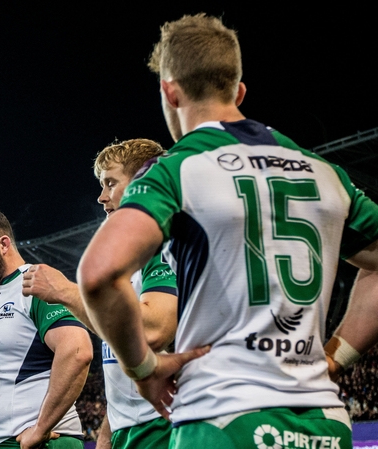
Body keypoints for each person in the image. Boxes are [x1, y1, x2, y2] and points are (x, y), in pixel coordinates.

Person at [78, 13, 378, 449]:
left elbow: (99, 274)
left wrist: (143, 368)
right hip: (324, 422)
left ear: (169, 91)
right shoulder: (324, 173)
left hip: (222, 418)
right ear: (238, 91)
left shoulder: (174, 171)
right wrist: (339, 356)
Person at [23, 140, 178, 449]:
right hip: (128, 427)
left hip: (165, 426)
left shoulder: (166, 242)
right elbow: (123, 353)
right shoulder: (132, 255)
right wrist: (109, 429)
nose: (102, 197)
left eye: (111, 183)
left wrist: (66, 291)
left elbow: (153, 331)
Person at [0, 206, 92, 449]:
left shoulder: (37, 284)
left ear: (4, 244)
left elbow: (78, 351)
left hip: (36, 442)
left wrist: (41, 428)